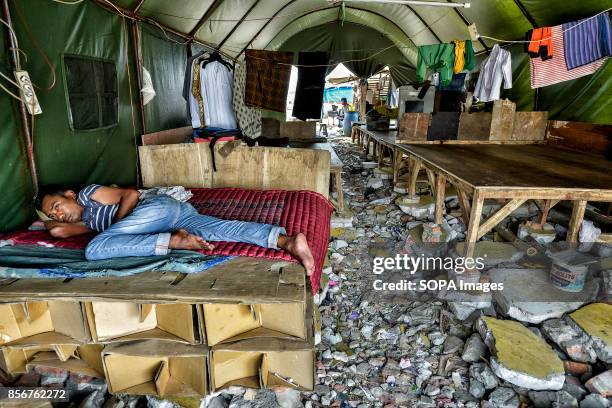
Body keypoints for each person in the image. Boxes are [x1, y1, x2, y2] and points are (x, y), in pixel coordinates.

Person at [35, 184, 315, 276]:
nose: (58, 213)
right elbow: (57, 232)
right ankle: (286, 240)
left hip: (154, 209)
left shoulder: (88, 194)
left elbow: (130, 195)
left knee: (95, 249)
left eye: (57, 204)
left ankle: (174, 242)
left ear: (70, 194)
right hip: (177, 215)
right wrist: (47, 220)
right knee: (218, 230)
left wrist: (120, 230)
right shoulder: (87, 222)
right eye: (53, 212)